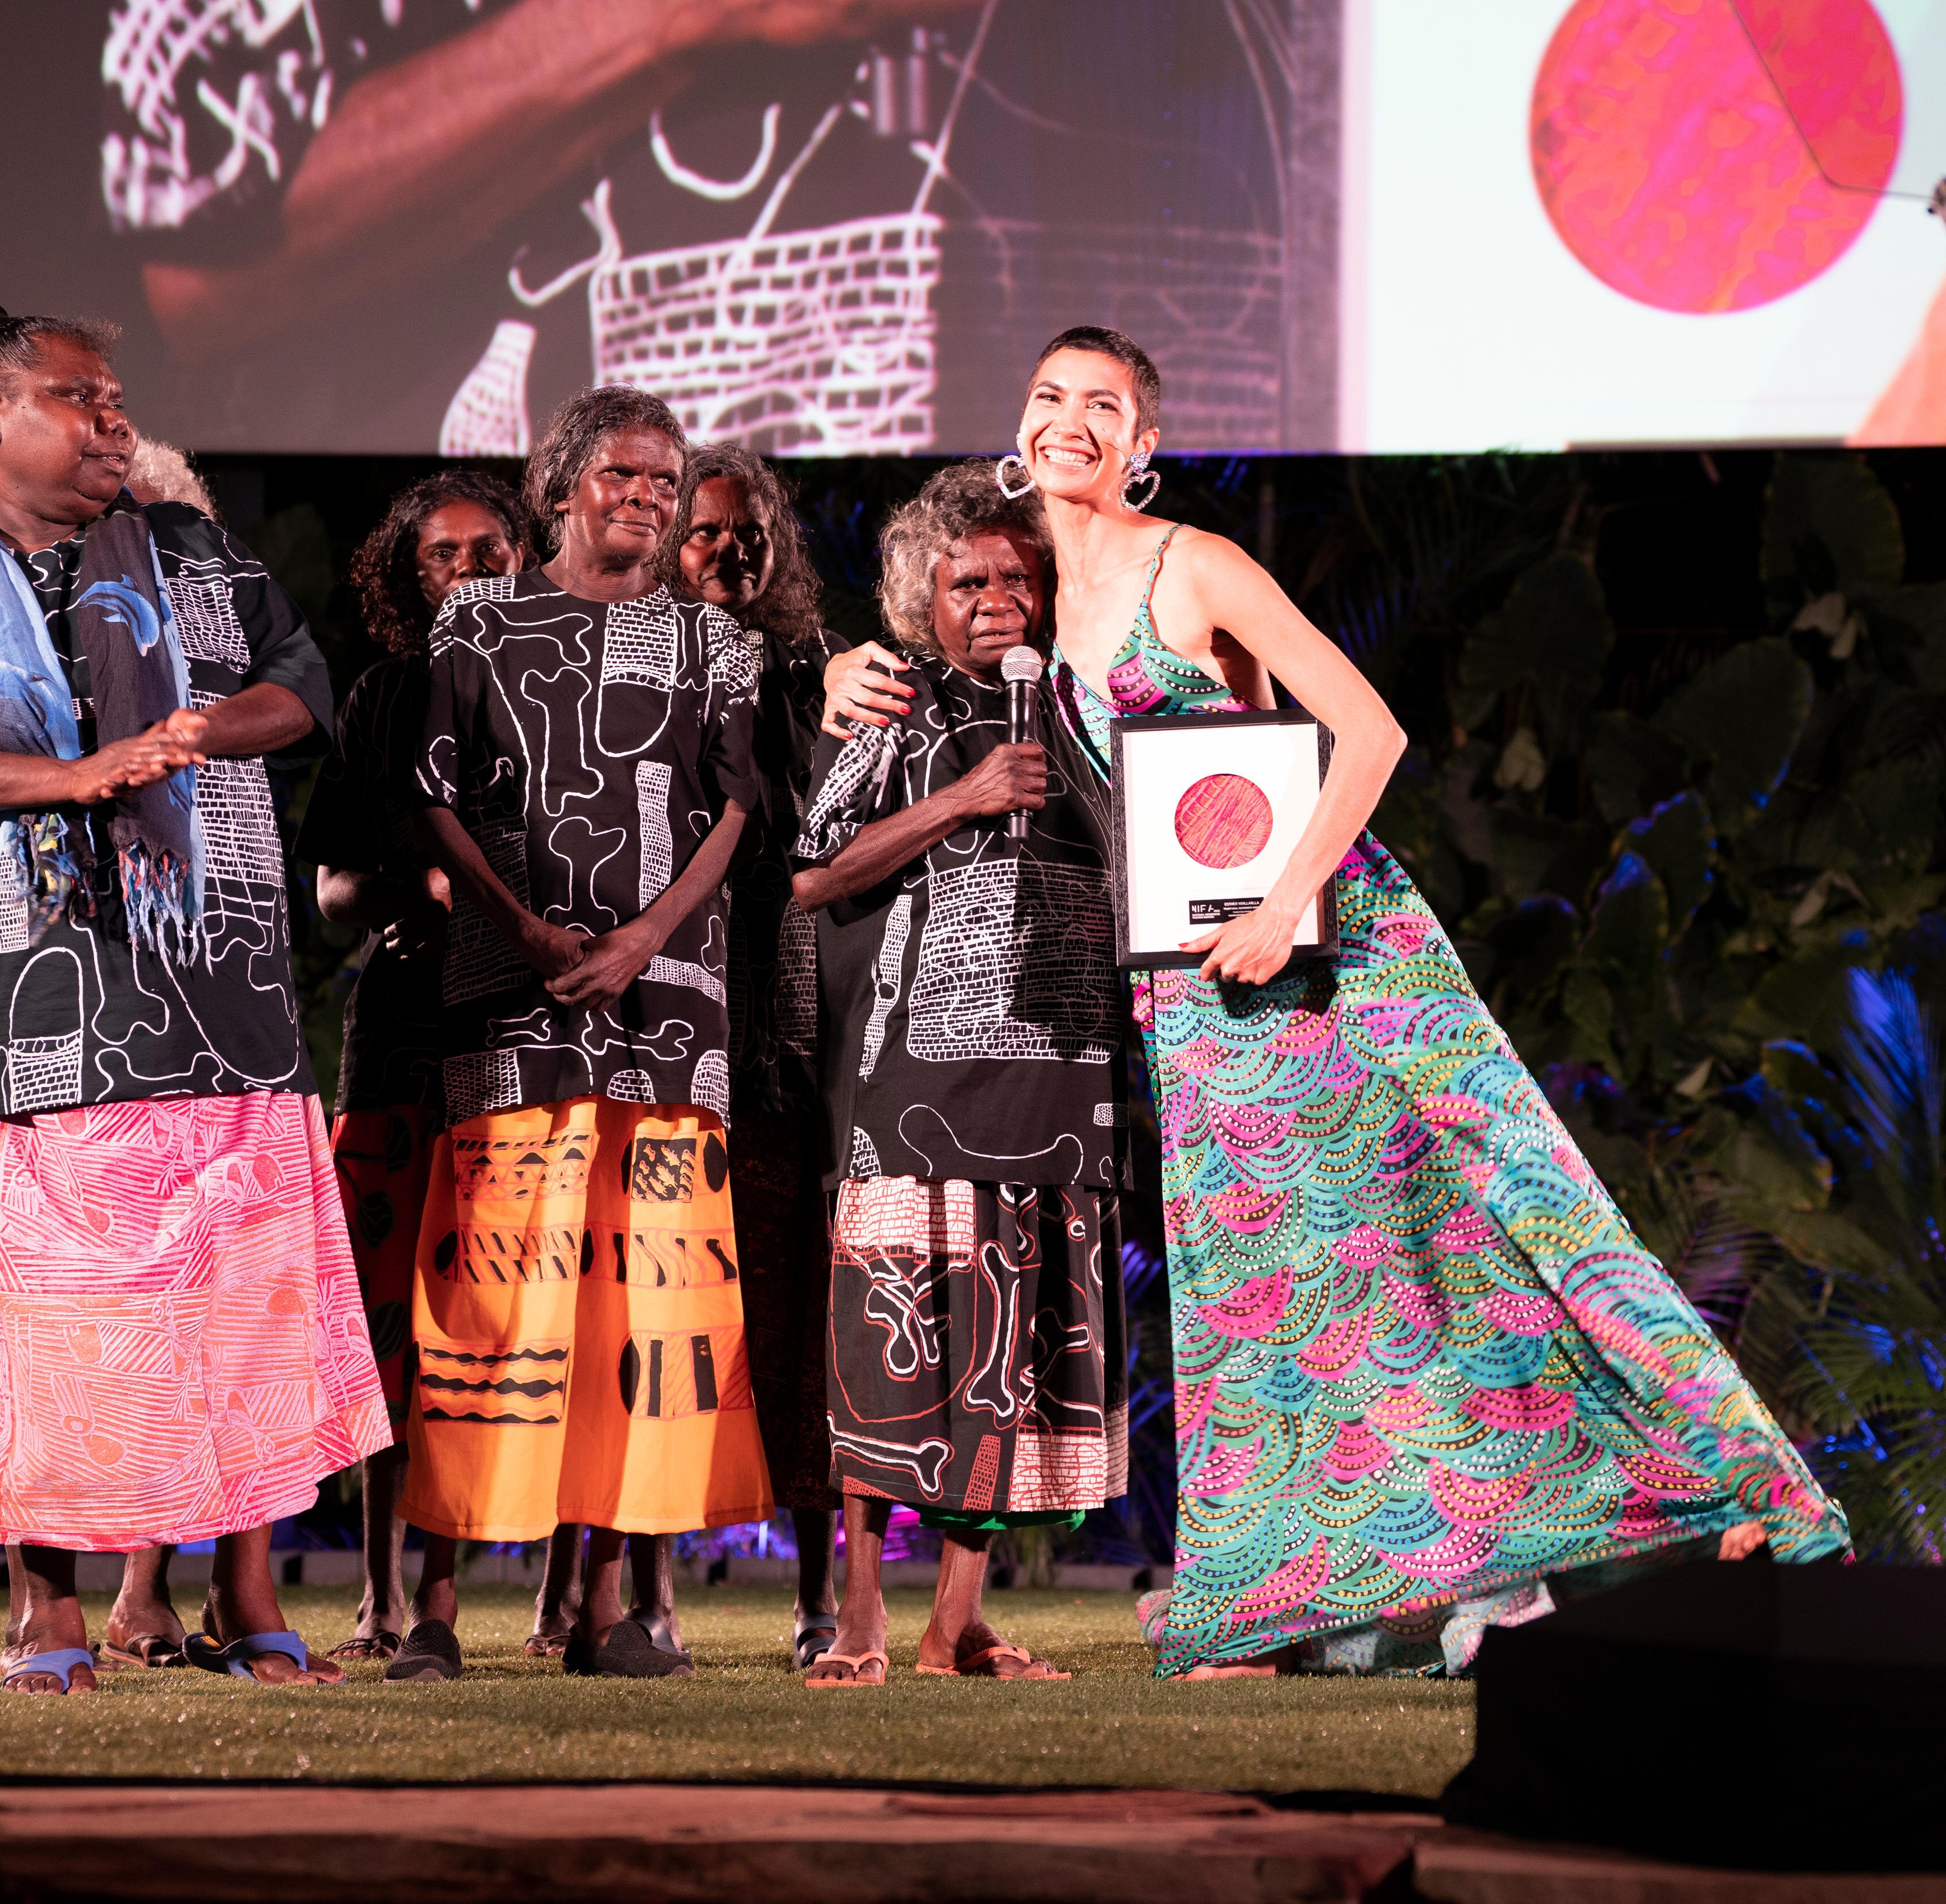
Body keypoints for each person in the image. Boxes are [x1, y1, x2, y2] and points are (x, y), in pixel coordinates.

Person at [931, 326, 1849, 1677]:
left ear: (1143, 443)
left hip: (1329, 944)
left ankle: (1719, 1485)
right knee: (1285, 1280)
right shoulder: (1042, 604)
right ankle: (1307, 1588)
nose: (1072, 419)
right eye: (1050, 395)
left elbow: (1366, 732)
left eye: (1104, 405)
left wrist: (1271, 904)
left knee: (1499, 1209)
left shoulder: (1194, 564)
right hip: (1191, 997)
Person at [0, 303, 383, 1691]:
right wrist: (72, 775)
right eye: (78, 397)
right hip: (19, 1014)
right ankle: (45, 1604)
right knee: (45, 1332)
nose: (112, 419)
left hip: (221, 1000)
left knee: (240, 1316)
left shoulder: (191, 553)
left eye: (118, 396)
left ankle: (249, 1594)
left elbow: (300, 681)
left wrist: (199, 729)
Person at [395, 386, 772, 1682]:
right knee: (487, 1298)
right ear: (561, 483)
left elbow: (734, 811)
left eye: (668, 483)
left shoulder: (716, 643)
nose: (651, 499)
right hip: (513, 1004)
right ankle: (435, 1606)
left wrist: (638, 942)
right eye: (624, 475)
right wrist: (532, 933)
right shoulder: (479, 617)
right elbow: (433, 793)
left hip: (671, 1013)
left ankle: (603, 1606)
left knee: (638, 1315)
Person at [791, 459, 1126, 1687]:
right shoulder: (898, 707)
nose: (996, 597)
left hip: (1057, 1072)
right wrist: (967, 797)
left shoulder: (1087, 711)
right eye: (967, 579)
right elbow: (811, 870)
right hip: (917, 1079)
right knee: (896, 1340)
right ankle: (864, 1617)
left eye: (1016, 576)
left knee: (1014, 1346)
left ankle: (957, 1622)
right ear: (920, 597)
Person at [295, 471, 532, 1666]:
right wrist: (414, 891)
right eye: (445, 554)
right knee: (389, 1327)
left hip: (524, 1035)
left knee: (497, 1328)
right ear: (410, 576)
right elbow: (330, 883)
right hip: (397, 1039)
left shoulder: (562, 686)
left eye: (492, 547)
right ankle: (382, 1585)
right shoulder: (383, 695)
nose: (472, 566)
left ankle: (506, 1594)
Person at [660, 442, 847, 1669]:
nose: (728, 549)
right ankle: (641, 1590)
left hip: (785, 1045)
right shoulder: (626, 673)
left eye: (747, 532)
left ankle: (823, 1598)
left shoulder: (815, 679)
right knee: (668, 1321)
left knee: (794, 1325)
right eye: (701, 531)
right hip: (666, 1040)